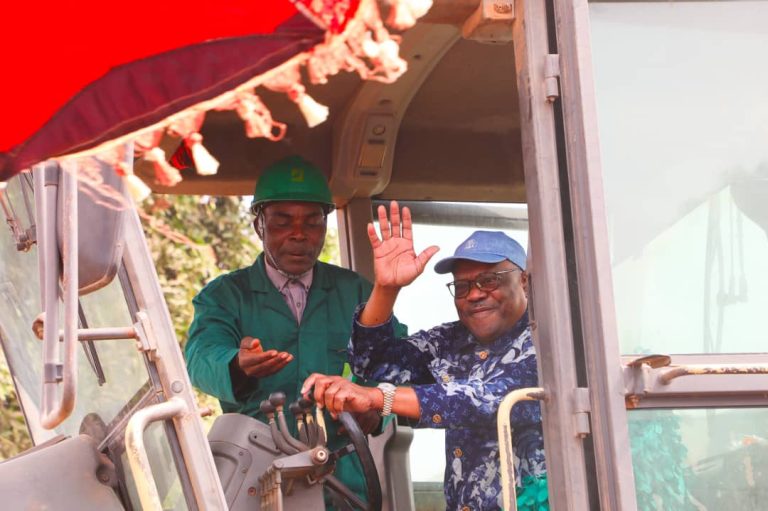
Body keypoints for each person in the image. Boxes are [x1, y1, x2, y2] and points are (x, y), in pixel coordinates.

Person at [185, 155, 405, 505]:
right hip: (253, 471)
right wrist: (236, 365)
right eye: (282, 222)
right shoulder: (226, 295)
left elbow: (397, 362)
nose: (299, 234)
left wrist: (373, 406)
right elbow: (199, 357)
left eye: (312, 222)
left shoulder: (357, 292)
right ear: (259, 225)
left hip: (342, 474)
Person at [302, 201, 547, 510]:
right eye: (462, 286)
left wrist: (378, 399)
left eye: (490, 280)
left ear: (523, 280)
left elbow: (475, 400)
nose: (474, 293)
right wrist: (386, 288)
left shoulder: (548, 343)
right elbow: (374, 366)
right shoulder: (451, 340)